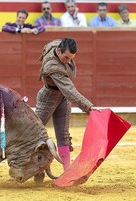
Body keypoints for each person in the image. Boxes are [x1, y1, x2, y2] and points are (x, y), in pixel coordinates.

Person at [35, 38, 99, 171]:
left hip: (62, 98)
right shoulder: (53, 66)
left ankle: (67, 171)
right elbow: (69, 90)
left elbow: (46, 47)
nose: (68, 61)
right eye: (66, 57)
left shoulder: (56, 45)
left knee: (63, 134)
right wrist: (88, 107)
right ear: (58, 51)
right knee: (32, 133)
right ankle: (21, 167)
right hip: (48, 98)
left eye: (71, 58)